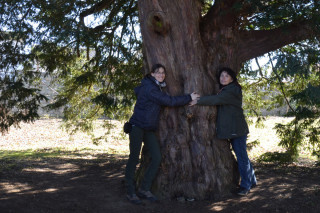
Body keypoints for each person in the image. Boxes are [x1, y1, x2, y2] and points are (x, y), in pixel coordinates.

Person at [125, 63, 200, 204]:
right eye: (158, 72)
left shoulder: (156, 87)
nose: (161, 74)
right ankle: (130, 191)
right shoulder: (149, 88)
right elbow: (169, 101)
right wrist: (189, 97)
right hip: (137, 127)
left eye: (163, 72)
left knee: (157, 157)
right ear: (152, 74)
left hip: (148, 128)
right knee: (133, 159)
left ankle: (144, 189)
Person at [190, 67, 257, 196]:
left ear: (232, 78)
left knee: (242, 157)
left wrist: (198, 100)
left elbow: (216, 100)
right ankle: (252, 180)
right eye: (222, 76)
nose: (223, 78)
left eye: (227, 76)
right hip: (233, 129)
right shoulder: (226, 89)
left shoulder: (232, 90)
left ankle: (245, 186)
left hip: (236, 130)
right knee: (243, 156)